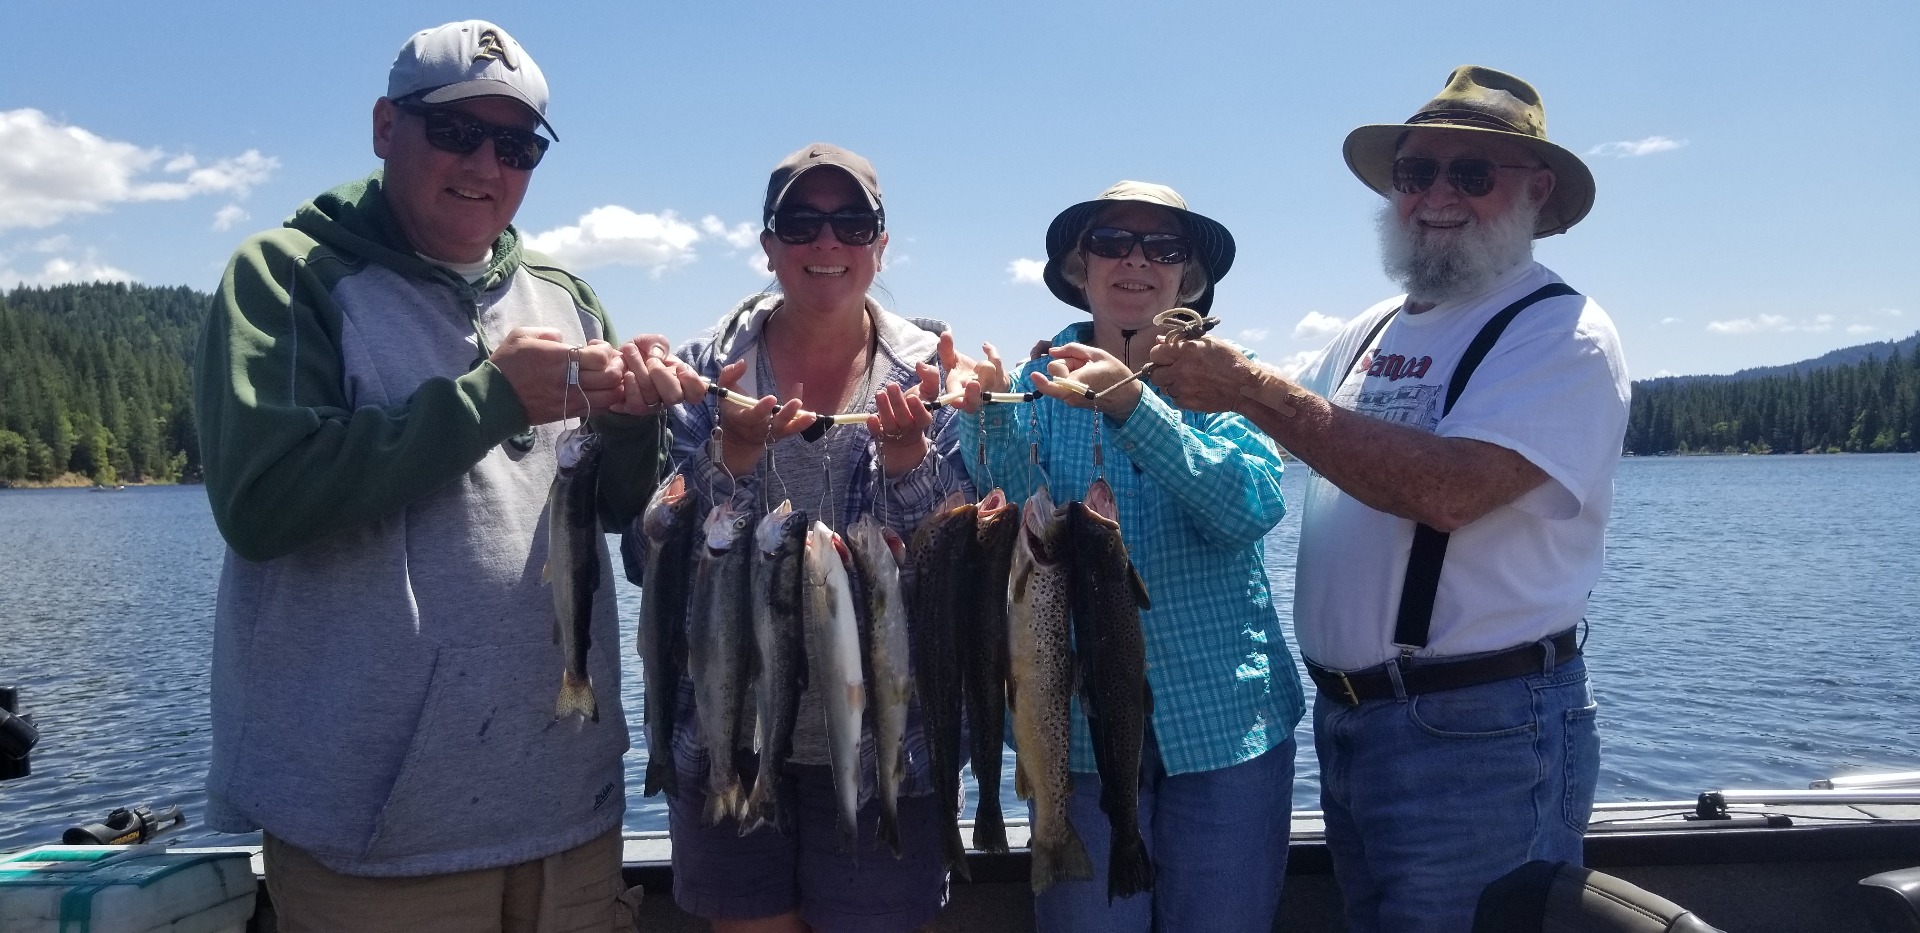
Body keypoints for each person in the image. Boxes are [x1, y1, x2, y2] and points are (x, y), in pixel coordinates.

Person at [193, 20, 699, 932]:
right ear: (387, 126)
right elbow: (262, 502)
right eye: (457, 131)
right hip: (370, 835)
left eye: (515, 145)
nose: (485, 164)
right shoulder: (286, 277)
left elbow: (620, 510)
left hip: (568, 813)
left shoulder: (568, 296)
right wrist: (490, 400)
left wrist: (632, 428)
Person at [1148, 66, 1631, 933]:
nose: (1437, 195)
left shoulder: (1564, 333)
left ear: (1535, 190)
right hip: (1351, 723)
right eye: (1416, 173)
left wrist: (1249, 383)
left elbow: (1447, 490)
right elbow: (1284, 440)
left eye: (1471, 174)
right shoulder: (1366, 331)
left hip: (1480, 736)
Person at [946, 181, 1302, 933]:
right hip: (1071, 735)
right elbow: (1006, 519)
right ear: (1081, 267)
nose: (1136, 261)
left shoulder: (1230, 380)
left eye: (1163, 248)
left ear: (1188, 278)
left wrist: (1133, 409)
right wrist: (982, 418)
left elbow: (1250, 508)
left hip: (1227, 733)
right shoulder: (1028, 386)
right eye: (1112, 243)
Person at [656, 142, 973, 933]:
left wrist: (910, 465)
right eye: (800, 222)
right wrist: (728, 457)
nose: (826, 243)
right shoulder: (704, 370)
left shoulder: (937, 375)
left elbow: (953, 565)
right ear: (768, 245)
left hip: (893, 753)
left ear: (880, 243)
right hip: (726, 738)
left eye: (850, 222)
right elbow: (650, 552)